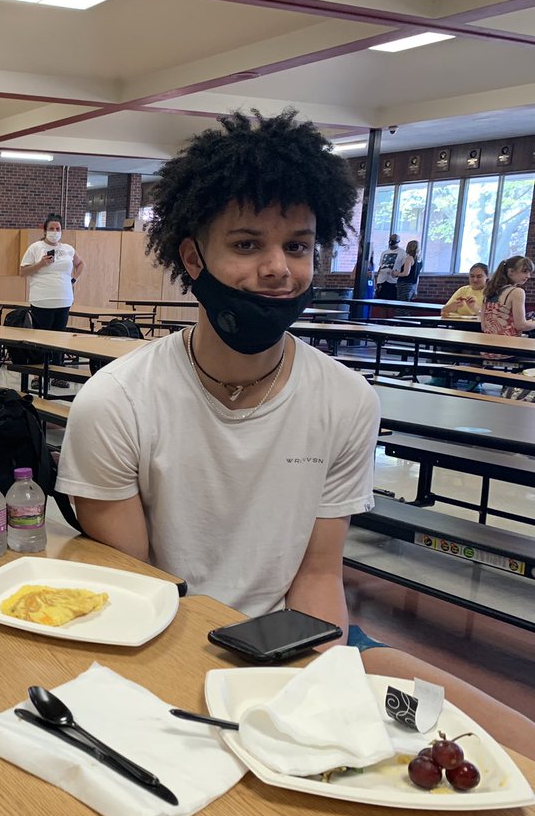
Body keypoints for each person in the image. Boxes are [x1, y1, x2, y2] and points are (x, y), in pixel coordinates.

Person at [55, 110, 535, 756]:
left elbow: (317, 577)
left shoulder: (344, 400)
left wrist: (317, 685)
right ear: (193, 257)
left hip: (297, 640)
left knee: (510, 744)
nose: (278, 268)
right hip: (166, 644)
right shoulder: (116, 403)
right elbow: (139, 591)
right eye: (247, 245)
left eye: (299, 246)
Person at [18, 214, 85, 388]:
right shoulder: (36, 247)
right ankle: (38, 376)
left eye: (58, 229)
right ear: (45, 230)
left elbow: (80, 264)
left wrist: (74, 280)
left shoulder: (68, 249)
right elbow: (22, 272)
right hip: (42, 300)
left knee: (60, 337)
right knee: (41, 337)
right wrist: (40, 264)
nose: (55, 232)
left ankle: (57, 373)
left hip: (64, 299)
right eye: (51, 229)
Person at [374, 234, 404, 300]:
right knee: (380, 301)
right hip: (382, 280)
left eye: (394, 240)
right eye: (391, 240)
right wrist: (377, 281)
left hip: (393, 281)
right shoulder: (384, 252)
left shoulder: (402, 253)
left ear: (398, 241)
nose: (391, 243)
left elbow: (404, 268)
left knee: (392, 301)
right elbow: (381, 266)